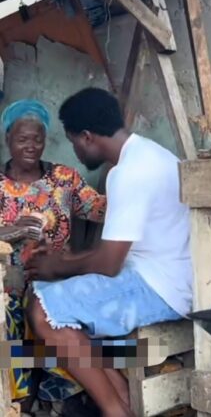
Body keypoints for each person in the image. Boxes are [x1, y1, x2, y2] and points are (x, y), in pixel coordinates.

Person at [23, 88, 192, 417]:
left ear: (86, 137)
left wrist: (58, 265)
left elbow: (108, 264)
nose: (75, 151)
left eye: (73, 142)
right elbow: (111, 254)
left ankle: (115, 410)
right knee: (46, 294)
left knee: (40, 311)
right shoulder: (151, 154)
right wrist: (60, 265)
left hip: (159, 286)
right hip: (168, 276)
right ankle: (124, 400)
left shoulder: (127, 173)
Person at [0, 100, 106, 411]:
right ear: (8, 139)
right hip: (7, 286)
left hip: (54, 279)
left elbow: (100, 208)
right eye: (22, 139)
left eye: (37, 138)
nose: (31, 146)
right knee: (8, 314)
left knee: (54, 308)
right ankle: (18, 401)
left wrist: (130, 180)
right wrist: (13, 230)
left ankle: (56, 398)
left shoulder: (64, 179)